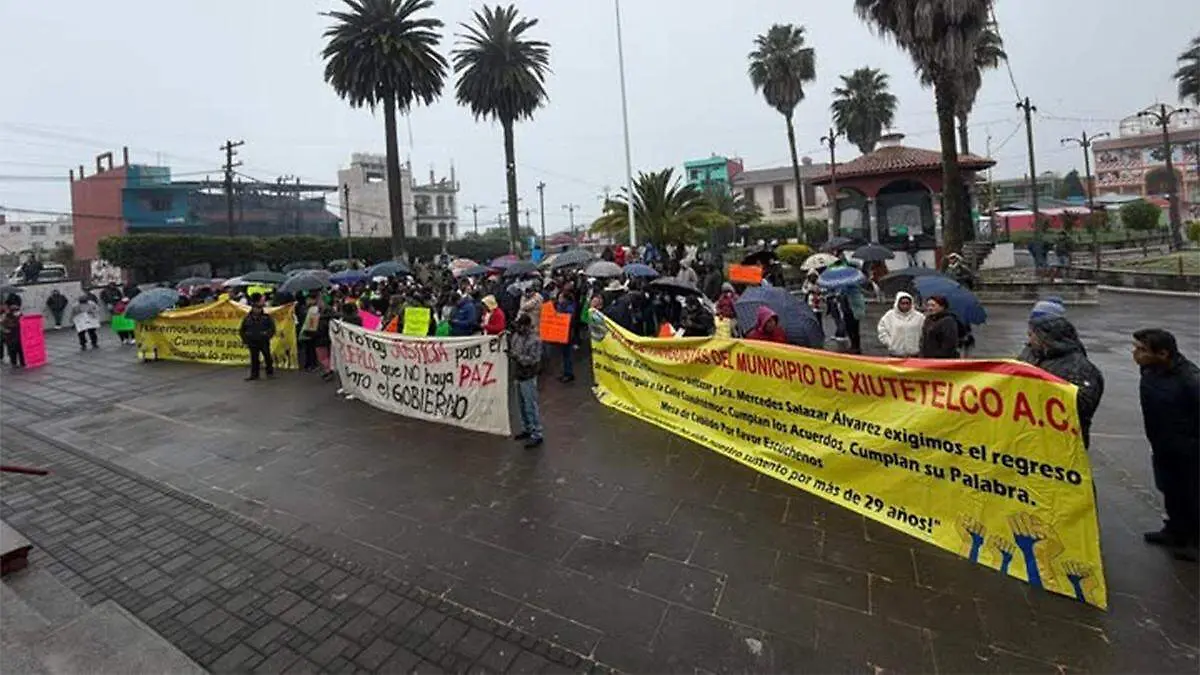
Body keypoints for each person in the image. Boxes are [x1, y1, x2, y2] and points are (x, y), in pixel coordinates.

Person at [1132, 329, 1199, 561]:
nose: (1136, 354)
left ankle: (1194, 541)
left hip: (1189, 449)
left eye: (1142, 350)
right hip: (1162, 443)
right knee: (1169, 489)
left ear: (1163, 354)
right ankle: (1175, 530)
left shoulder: (1190, 380)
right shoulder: (1150, 370)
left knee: (1191, 494)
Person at [1019, 316, 1104, 448]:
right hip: (1031, 433)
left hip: (1061, 441)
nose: (1029, 341)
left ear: (1045, 338)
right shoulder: (1030, 353)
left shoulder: (1080, 368)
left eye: (1032, 335)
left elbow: (1083, 406)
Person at [509, 314, 544, 449]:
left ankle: (537, 433)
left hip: (528, 375)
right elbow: (513, 348)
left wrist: (517, 357)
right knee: (521, 404)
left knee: (530, 405)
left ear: (527, 326)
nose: (519, 328)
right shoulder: (516, 336)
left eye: (521, 326)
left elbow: (533, 360)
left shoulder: (535, 340)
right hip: (518, 374)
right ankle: (527, 428)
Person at [239, 293, 276, 381]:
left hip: (263, 340)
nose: (257, 310)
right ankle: (254, 374)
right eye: (255, 308)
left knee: (267, 356)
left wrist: (267, 335)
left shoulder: (266, 317)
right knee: (254, 358)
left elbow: (272, 328)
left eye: (259, 308)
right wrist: (245, 339)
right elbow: (242, 329)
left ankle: (269, 372)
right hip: (252, 341)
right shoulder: (247, 318)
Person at [876, 292, 925, 357]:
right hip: (895, 354)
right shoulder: (889, 316)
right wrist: (890, 343)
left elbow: (925, 332)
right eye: (903, 303)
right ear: (897, 303)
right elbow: (882, 330)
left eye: (907, 303)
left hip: (914, 354)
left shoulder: (919, 317)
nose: (905, 306)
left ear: (911, 304)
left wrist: (920, 344)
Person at [555, 287, 578, 383]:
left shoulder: (568, 307)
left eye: (560, 297)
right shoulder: (564, 306)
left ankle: (569, 373)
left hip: (567, 334)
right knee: (564, 355)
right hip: (563, 333)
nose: (559, 299)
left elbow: (569, 319)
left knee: (567, 355)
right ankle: (565, 372)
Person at [1, 301, 23, 368]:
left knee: (21, 351)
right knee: (12, 351)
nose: (16, 312)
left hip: (20, 338)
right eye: (15, 310)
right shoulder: (7, 317)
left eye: (17, 310)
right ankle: (14, 363)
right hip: (11, 338)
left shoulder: (21, 316)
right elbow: (5, 326)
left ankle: (23, 362)